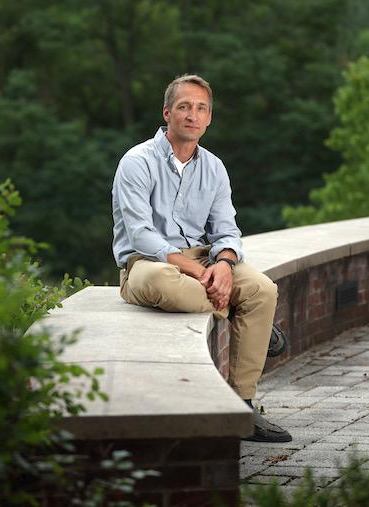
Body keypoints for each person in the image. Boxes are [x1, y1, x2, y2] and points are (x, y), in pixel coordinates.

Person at [111, 74, 291, 443]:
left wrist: (224, 264)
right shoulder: (136, 162)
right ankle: (241, 315)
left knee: (262, 290)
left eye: (201, 108)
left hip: (204, 262)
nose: (192, 115)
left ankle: (242, 408)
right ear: (167, 113)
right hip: (147, 264)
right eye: (184, 107)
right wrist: (198, 271)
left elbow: (227, 231)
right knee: (168, 284)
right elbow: (141, 234)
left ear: (209, 118)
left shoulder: (214, 168)